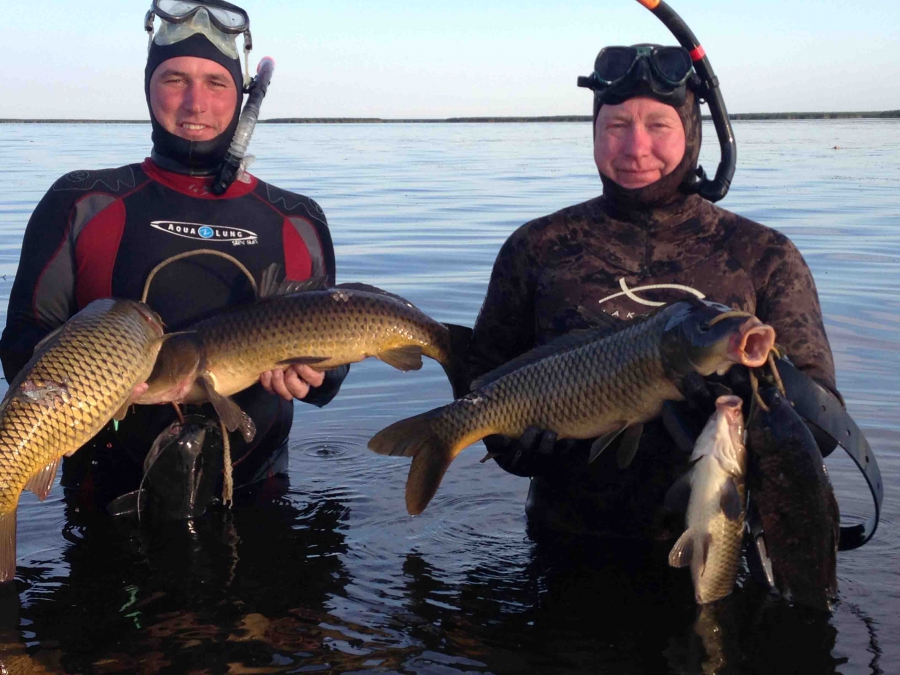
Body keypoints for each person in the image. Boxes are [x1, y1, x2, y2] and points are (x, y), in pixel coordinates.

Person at [463, 41, 839, 540]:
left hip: (719, 546)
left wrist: (744, 408)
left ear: (692, 131)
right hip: (564, 543)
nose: (636, 148)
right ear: (595, 132)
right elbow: (480, 384)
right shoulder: (538, 247)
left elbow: (824, 425)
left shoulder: (762, 253)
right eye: (616, 126)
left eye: (658, 126)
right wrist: (513, 447)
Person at [0, 0, 348, 515]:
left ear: (241, 94)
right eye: (175, 80)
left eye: (216, 83)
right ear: (147, 87)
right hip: (108, 508)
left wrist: (317, 375)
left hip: (260, 503)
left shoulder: (298, 219)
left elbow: (332, 366)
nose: (195, 104)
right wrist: (99, 372)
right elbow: (20, 348)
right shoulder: (82, 202)